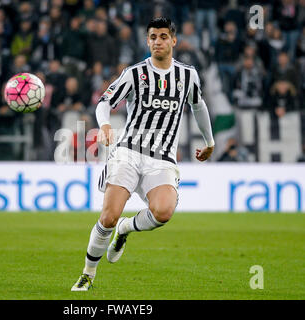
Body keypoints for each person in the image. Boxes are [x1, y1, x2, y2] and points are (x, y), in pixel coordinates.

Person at [71, 17, 215, 291]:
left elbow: (199, 106)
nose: (157, 41)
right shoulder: (134, 73)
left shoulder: (188, 75)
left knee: (163, 212)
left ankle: (126, 229)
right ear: (147, 41)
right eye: (152, 37)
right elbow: (104, 102)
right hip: (128, 152)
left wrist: (209, 141)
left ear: (173, 40)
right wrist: (103, 125)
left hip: (162, 159)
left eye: (163, 36)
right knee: (108, 217)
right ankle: (88, 273)